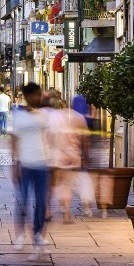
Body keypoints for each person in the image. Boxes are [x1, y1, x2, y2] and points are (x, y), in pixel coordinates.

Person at [11, 83, 52, 251]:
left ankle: (37, 234)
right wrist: (15, 164)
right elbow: (14, 140)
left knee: (42, 201)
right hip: (25, 164)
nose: (38, 97)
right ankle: (20, 235)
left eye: (39, 94)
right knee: (22, 201)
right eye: (35, 95)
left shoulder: (43, 115)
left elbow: (46, 138)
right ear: (27, 96)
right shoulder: (18, 116)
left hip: (42, 163)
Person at [47, 95, 90, 223]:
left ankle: (50, 209)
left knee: (54, 184)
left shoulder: (55, 118)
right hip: (72, 155)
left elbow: (49, 137)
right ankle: (66, 215)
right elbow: (85, 140)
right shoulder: (79, 118)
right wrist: (86, 156)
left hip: (57, 155)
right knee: (67, 185)